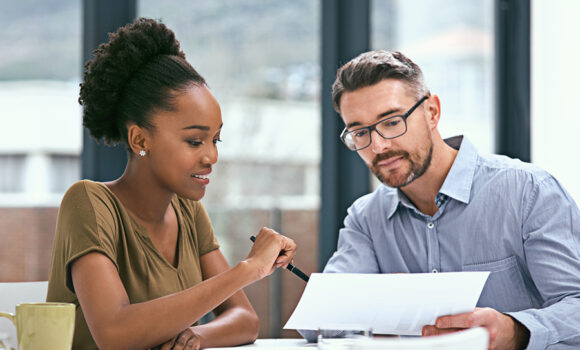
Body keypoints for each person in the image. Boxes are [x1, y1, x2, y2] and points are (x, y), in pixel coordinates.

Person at [300, 50, 580, 349]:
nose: (379, 146)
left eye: (392, 122)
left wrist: (516, 330)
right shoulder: (366, 218)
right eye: (360, 132)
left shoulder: (528, 190)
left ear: (432, 112)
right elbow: (318, 322)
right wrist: (380, 310)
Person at [47, 18, 297, 350]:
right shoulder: (89, 203)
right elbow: (115, 333)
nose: (211, 156)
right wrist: (248, 269)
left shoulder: (188, 211)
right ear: (139, 139)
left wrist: (195, 337)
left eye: (216, 140)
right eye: (195, 141)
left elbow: (245, 320)